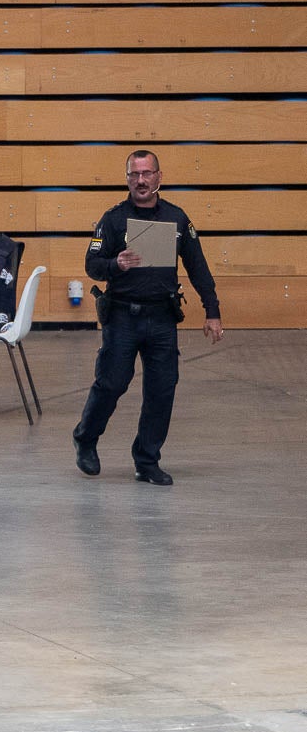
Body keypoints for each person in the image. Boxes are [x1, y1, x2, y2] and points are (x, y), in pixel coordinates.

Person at [73, 150, 224, 486]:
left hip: (161, 318)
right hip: (123, 316)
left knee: (161, 390)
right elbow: (91, 265)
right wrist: (116, 264)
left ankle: (147, 460)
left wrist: (212, 311)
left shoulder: (177, 218)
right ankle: (86, 438)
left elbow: (198, 267)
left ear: (159, 177)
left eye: (146, 173)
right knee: (111, 384)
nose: (140, 181)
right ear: (127, 179)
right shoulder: (112, 220)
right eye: (134, 174)